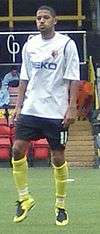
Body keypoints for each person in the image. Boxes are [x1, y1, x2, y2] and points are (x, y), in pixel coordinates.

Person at [12, 5, 80, 226]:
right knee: (16, 149)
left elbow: (74, 79)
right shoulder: (30, 44)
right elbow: (24, 78)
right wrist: (18, 106)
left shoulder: (66, 44)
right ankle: (24, 199)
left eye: (45, 17)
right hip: (31, 108)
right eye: (38, 18)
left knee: (57, 158)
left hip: (55, 112)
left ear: (55, 20)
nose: (41, 21)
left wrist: (71, 107)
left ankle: (60, 205)